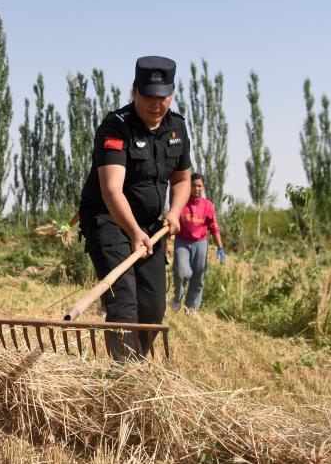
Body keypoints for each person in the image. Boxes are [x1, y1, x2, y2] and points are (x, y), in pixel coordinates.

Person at [77, 56, 192, 359]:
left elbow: (182, 179)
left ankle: (137, 363)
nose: (156, 105)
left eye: (163, 97)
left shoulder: (176, 128)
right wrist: (132, 231)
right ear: (134, 92)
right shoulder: (116, 128)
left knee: (153, 305)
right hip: (108, 219)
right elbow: (111, 189)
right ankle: (124, 376)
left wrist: (174, 212)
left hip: (150, 225)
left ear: (172, 94)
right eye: (149, 97)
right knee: (123, 299)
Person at [169, 173, 225, 312]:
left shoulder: (208, 206)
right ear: (189, 186)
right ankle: (177, 298)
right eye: (194, 185)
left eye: (199, 186)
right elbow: (171, 223)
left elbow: (214, 227)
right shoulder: (182, 203)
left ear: (203, 187)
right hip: (182, 242)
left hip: (200, 243)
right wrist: (167, 243)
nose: (197, 188)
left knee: (199, 276)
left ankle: (192, 309)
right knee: (182, 272)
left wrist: (220, 248)